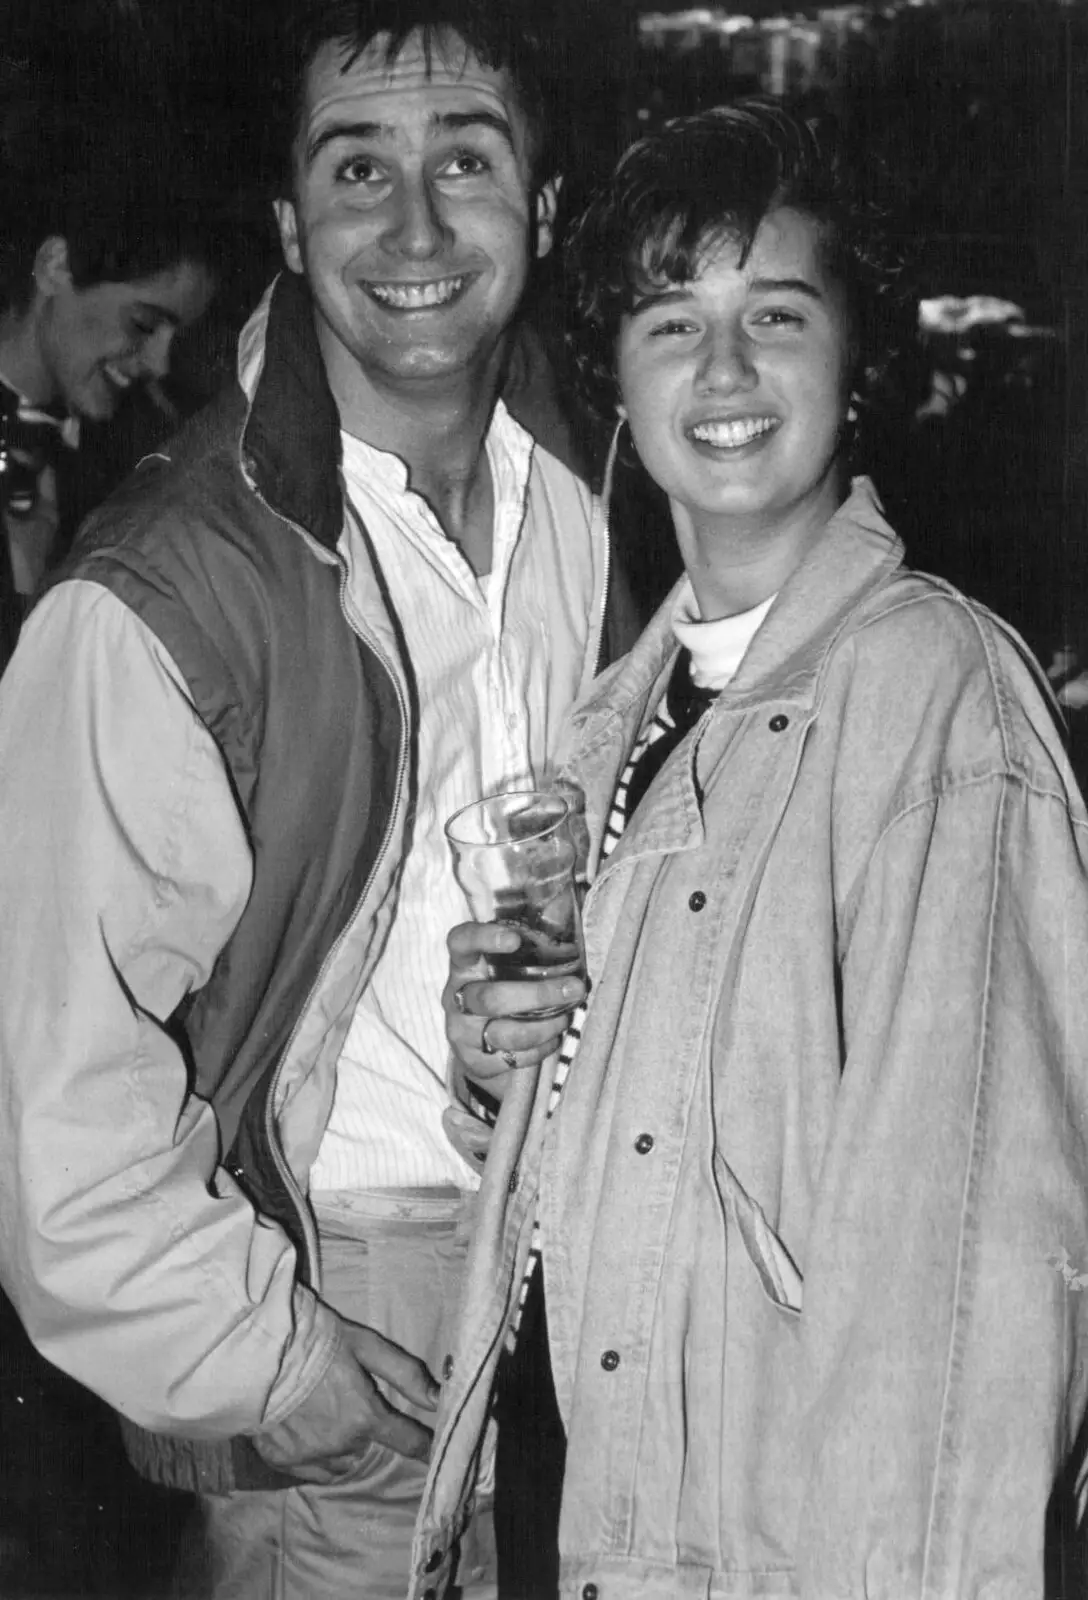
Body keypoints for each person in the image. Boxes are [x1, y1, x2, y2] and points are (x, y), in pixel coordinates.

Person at [0, 2, 637, 1597]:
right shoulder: (159, 596)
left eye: (467, 162)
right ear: (293, 220)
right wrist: (282, 1375)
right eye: (361, 167)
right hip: (352, 1309)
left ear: (543, 209)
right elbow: (50, 1097)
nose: (415, 224)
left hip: (589, 1295)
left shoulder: (595, 493)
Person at [424, 102, 1088, 1599]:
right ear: (620, 375)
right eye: (674, 321)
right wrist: (504, 1064)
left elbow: (974, 1284)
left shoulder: (941, 702)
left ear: (854, 365)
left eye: (775, 315)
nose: (723, 373)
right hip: (575, 1522)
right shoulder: (616, 720)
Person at [0, 112, 217, 671]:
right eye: (143, 325)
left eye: (175, 337)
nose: (159, 362)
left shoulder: (136, 461)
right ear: (55, 266)